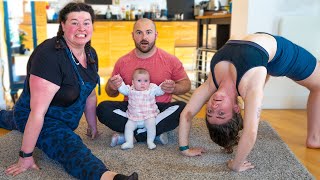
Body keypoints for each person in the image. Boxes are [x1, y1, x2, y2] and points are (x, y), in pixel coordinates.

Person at [0, 2, 137, 180]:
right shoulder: (49, 56)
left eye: (86, 22)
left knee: (7, 118)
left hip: (64, 120)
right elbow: (37, 112)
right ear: (63, 25)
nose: (81, 28)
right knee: (70, 145)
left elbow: (90, 92)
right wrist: (25, 157)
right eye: (74, 22)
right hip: (40, 116)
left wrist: (92, 124)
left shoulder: (90, 53)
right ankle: (110, 177)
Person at [178, 32, 320, 172]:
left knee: (259, 76)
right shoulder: (248, 87)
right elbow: (251, 131)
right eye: (221, 113)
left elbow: (187, 114)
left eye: (209, 112)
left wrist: (184, 148)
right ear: (236, 108)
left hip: (260, 53)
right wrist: (236, 165)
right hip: (280, 55)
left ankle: (264, 71)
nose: (214, 106)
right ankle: (314, 138)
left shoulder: (212, 83)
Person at [96, 18, 191, 147]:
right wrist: (112, 86)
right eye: (139, 32)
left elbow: (186, 85)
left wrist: (174, 88)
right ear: (133, 35)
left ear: (156, 35)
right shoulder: (122, 62)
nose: (144, 37)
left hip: (158, 110)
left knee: (183, 108)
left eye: (149, 32)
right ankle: (153, 133)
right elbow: (110, 93)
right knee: (102, 108)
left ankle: (133, 136)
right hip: (131, 109)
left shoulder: (170, 60)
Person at [116, 68, 173, 150]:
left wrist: (163, 85)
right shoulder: (130, 89)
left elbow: (159, 91)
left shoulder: (151, 89)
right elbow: (122, 89)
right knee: (128, 127)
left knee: (151, 126)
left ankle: (150, 141)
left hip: (148, 116)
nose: (143, 83)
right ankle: (129, 142)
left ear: (149, 81)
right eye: (139, 81)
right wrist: (119, 82)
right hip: (133, 117)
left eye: (146, 81)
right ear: (133, 82)